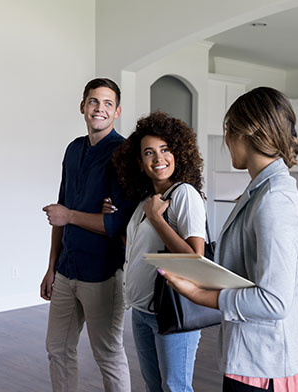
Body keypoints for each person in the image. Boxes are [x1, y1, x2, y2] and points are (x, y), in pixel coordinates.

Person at [161, 87, 298, 392]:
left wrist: (199, 295)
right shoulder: (262, 190)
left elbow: (273, 302)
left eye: (227, 130)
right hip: (259, 359)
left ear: (246, 134)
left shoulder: (274, 199)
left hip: (269, 366)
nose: (225, 140)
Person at [40, 78, 132, 392]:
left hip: (102, 274)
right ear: (83, 107)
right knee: (58, 349)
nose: (99, 109)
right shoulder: (73, 149)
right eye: (94, 101)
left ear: (117, 111)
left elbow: (115, 225)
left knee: (107, 354)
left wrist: (70, 216)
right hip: (66, 270)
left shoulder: (123, 153)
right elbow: (59, 210)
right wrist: (51, 267)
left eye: (108, 103)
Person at [104, 111, 206, 392]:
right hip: (141, 311)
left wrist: (158, 220)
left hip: (171, 311)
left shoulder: (184, 194)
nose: (158, 158)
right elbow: (137, 249)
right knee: (153, 387)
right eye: (149, 152)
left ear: (178, 153)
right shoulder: (145, 202)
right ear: (140, 162)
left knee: (175, 388)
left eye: (165, 149)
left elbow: (195, 259)